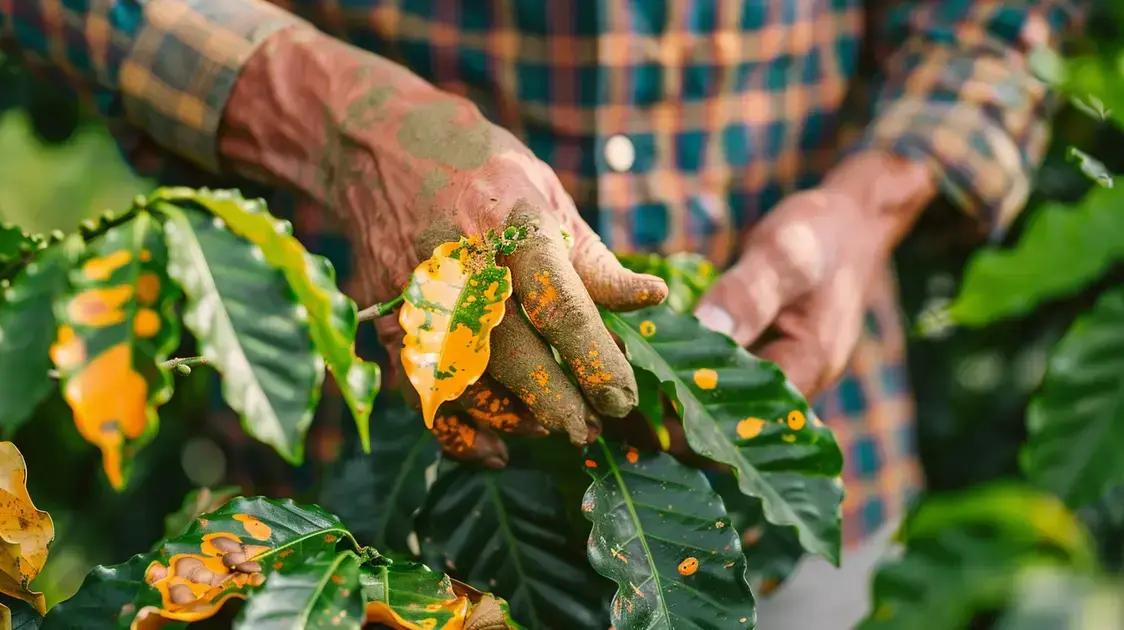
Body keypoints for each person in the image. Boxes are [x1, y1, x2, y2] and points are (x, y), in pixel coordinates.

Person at [0, 0, 1084, 626]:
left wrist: (866, 208)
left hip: (788, 494)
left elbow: (992, 18)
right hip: (365, 482)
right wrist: (349, 123)